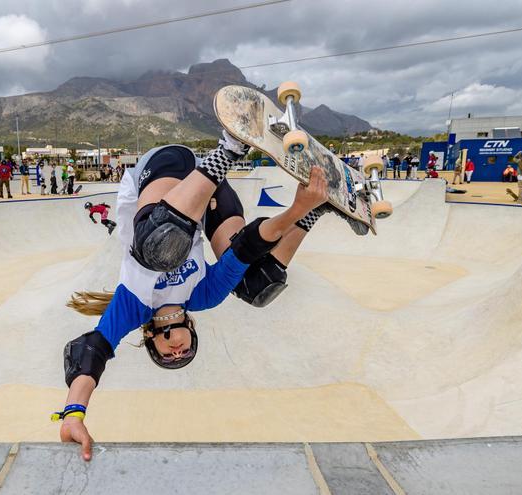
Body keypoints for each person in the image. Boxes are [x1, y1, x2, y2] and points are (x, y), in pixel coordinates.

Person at [57, 134, 332, 460]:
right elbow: (247, 246)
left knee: (158, 249)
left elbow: (90, 353)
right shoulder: (205, 295)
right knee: (255, 286)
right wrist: (298, 210)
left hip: (162, 172)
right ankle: (321, 208)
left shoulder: (134, 307)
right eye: (185, 353)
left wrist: (72, 415)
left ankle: (230, 146)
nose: (177, 351)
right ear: (192, 331)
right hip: (209, 199)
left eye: (168, 356)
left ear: (150, 337)